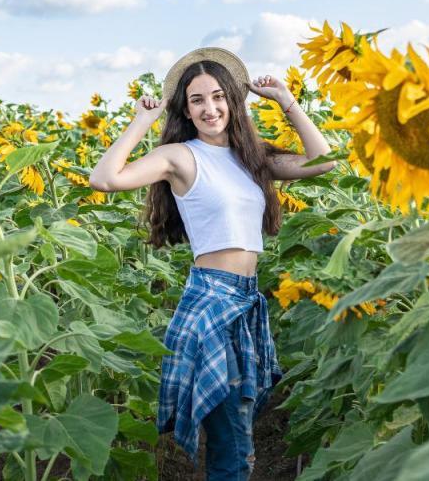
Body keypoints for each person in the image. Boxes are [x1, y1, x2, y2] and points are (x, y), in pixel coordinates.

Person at [88, 47, 336, 480]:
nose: (210, 108)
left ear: (233, 101)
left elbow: (324, 161)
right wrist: (141, 122)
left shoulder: (252, 157)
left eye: (219, 96)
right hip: (211, 301)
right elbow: (105, 179)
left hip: (246, 300)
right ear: (185, 109)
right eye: (197, 100)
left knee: (239, 438)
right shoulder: (181, 157)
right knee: (233, 446)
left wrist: (286, 101)